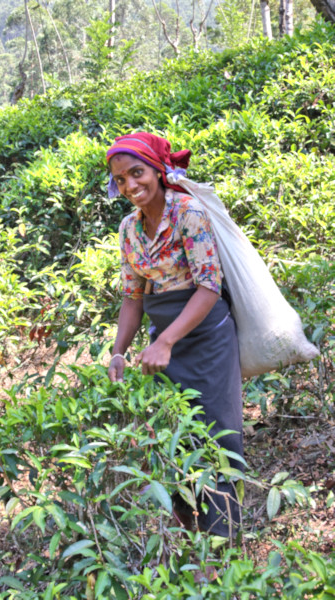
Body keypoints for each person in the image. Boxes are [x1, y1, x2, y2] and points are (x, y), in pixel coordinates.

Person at [106, 132, 243, 538]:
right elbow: (132, 298)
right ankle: (191, 538)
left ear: (157, 171)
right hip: (162, 341)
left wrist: (165, 341)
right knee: (173, 439)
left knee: (216, 436)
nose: (131, 186)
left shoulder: (188, 213)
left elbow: (208, 288)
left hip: (206, 339)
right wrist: (119, 352)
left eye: (137, 173)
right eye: (121, 179)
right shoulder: (129, 228)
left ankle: (223, 545)